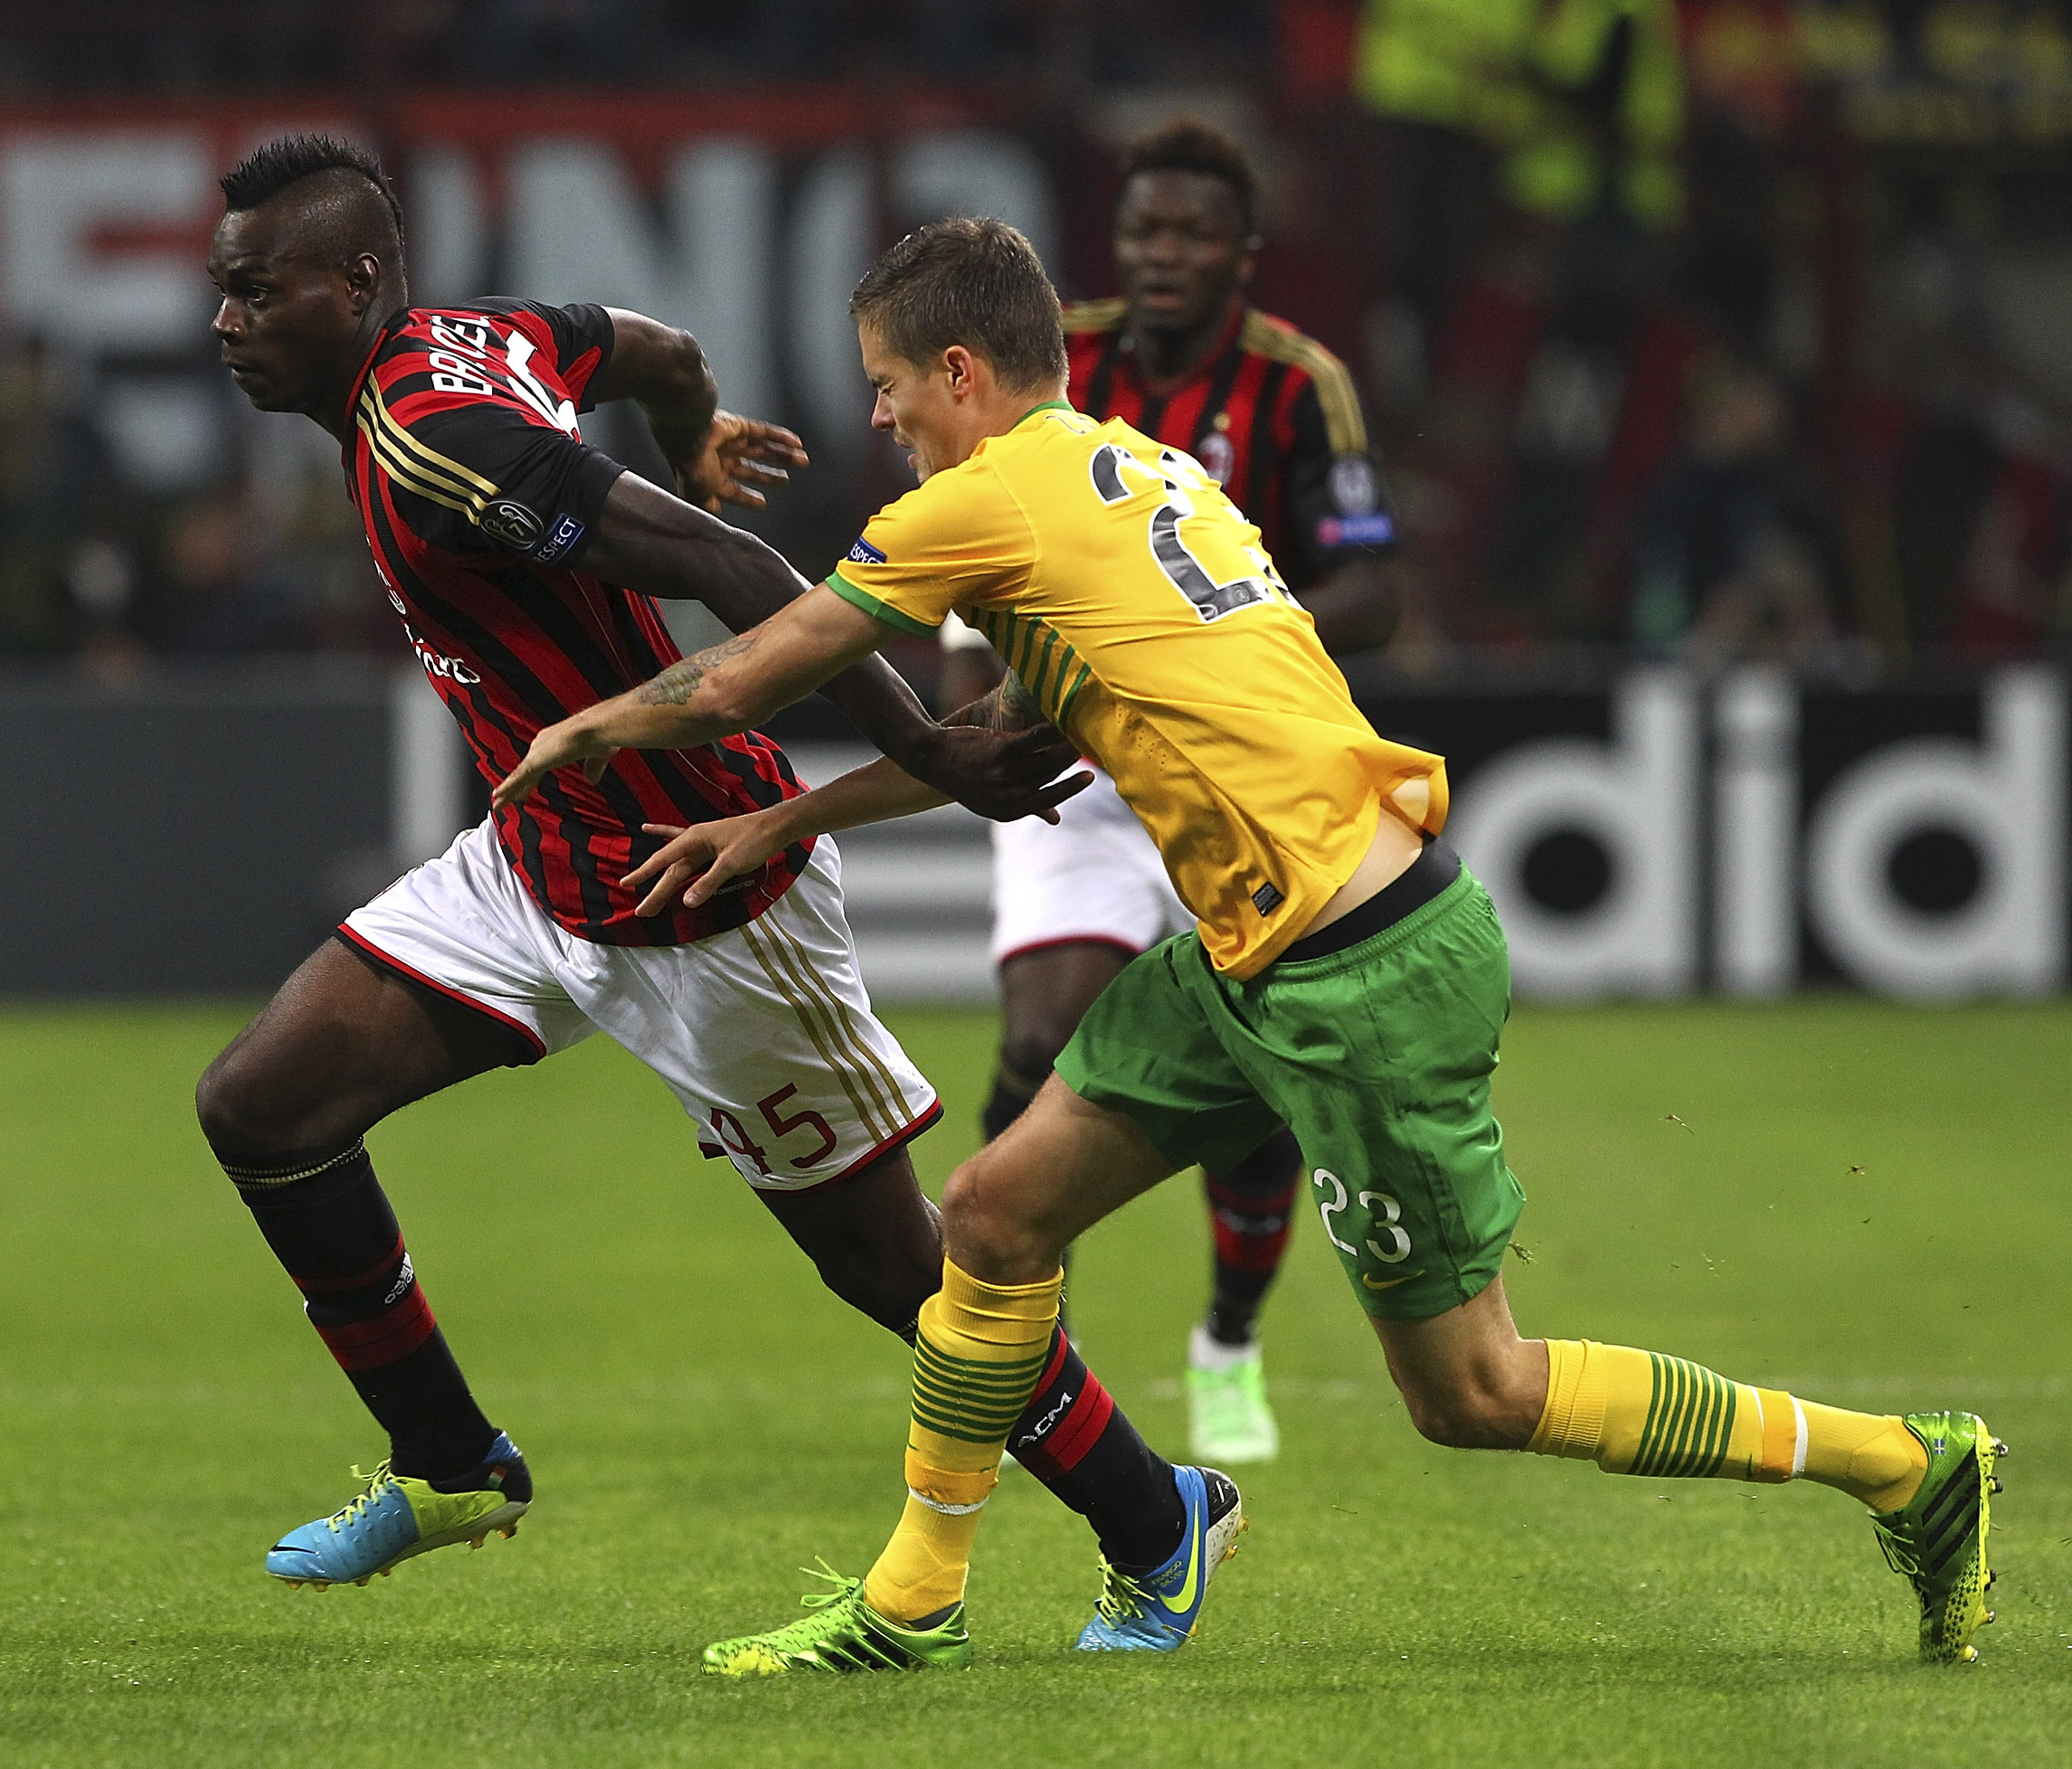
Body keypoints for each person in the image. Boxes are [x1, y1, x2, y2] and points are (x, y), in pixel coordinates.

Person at [497, 216, 2002, 1674]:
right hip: (1259, 948)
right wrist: (784, 825)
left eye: (890, 390)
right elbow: (997, 734)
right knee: (999, 1213)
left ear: (960, 371)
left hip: (1363, 971)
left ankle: (1902, 1466)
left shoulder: (982, 498)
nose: (886, 421)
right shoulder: (1134, 474)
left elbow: (745, 673)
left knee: (1476, 1390)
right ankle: (914, 1600)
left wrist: (583, 727)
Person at [194, 137, 1208, 1634]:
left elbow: (731, 566)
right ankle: (450, 1461)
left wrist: (924, 746)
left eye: (254, 290)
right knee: (263, 1108)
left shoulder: (436, 435)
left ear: (352, 284)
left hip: (702, 888)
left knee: (893, 1269)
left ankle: (1157, 1513)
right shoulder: (471, 340)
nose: (226, 322)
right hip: (536, 870)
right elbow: (653, 349)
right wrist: (691, 426)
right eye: (221, 291)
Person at [937, 118, 1400, 1467]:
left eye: (1192, 234)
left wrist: (1216, 643)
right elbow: (963, 511)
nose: (1163, 255)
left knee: (1255, 1079)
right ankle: (1012, 1346)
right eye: (1144, 231)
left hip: (1237, 769)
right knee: (1036, 1046)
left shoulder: (1300, 387)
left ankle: (1230, 1345)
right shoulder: (1055, 361)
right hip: (1081, 758)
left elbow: (1378, 589)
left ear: (1242, 255)